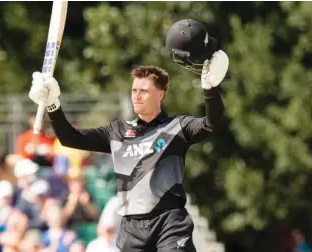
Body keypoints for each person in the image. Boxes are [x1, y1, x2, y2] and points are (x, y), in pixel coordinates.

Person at [29, 30, 228, 252]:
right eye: (134, 90)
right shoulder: (117, 131)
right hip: (132, 229)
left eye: (144, 91)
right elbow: (69, 138)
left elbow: (213, 124)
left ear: (160, 94)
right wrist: (53, 104)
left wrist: (210, 90)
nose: (136, 96)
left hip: (169, 223)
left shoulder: (177, 127)